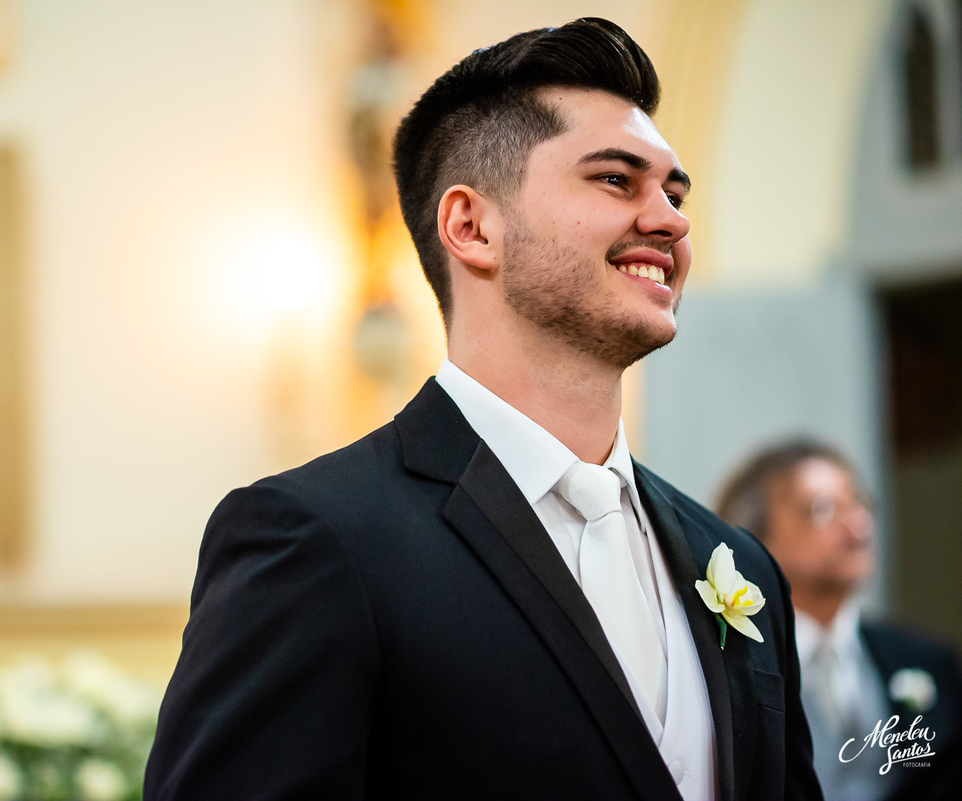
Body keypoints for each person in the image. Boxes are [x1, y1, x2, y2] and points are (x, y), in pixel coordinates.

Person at [146, 18, 821, 801]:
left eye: (674, 192)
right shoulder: (318, 541)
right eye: (616, 180)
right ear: (471, 227)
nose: (671, 219)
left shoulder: (738, 564)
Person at [717, 440, 962, 801]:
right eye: (822, 509)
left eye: (859, 503)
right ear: (752, 538)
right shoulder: (729, 668)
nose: (857, 526)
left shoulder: (928, 661)